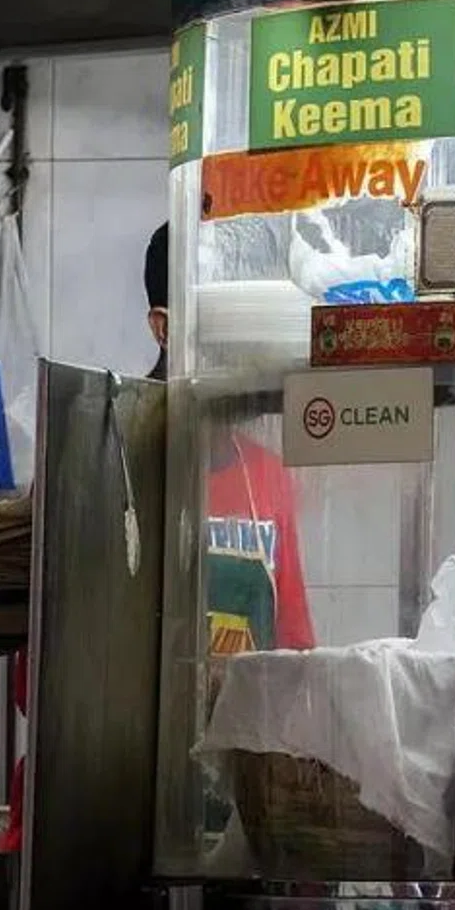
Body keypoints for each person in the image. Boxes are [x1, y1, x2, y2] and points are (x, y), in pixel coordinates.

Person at [145, 224, 315, 652]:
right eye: (225, 323)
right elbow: (41, 676)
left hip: (247, 719)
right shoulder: (105, 457)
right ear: (164, 329)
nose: (244, 346)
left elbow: (293, 649)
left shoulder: (267, 473)